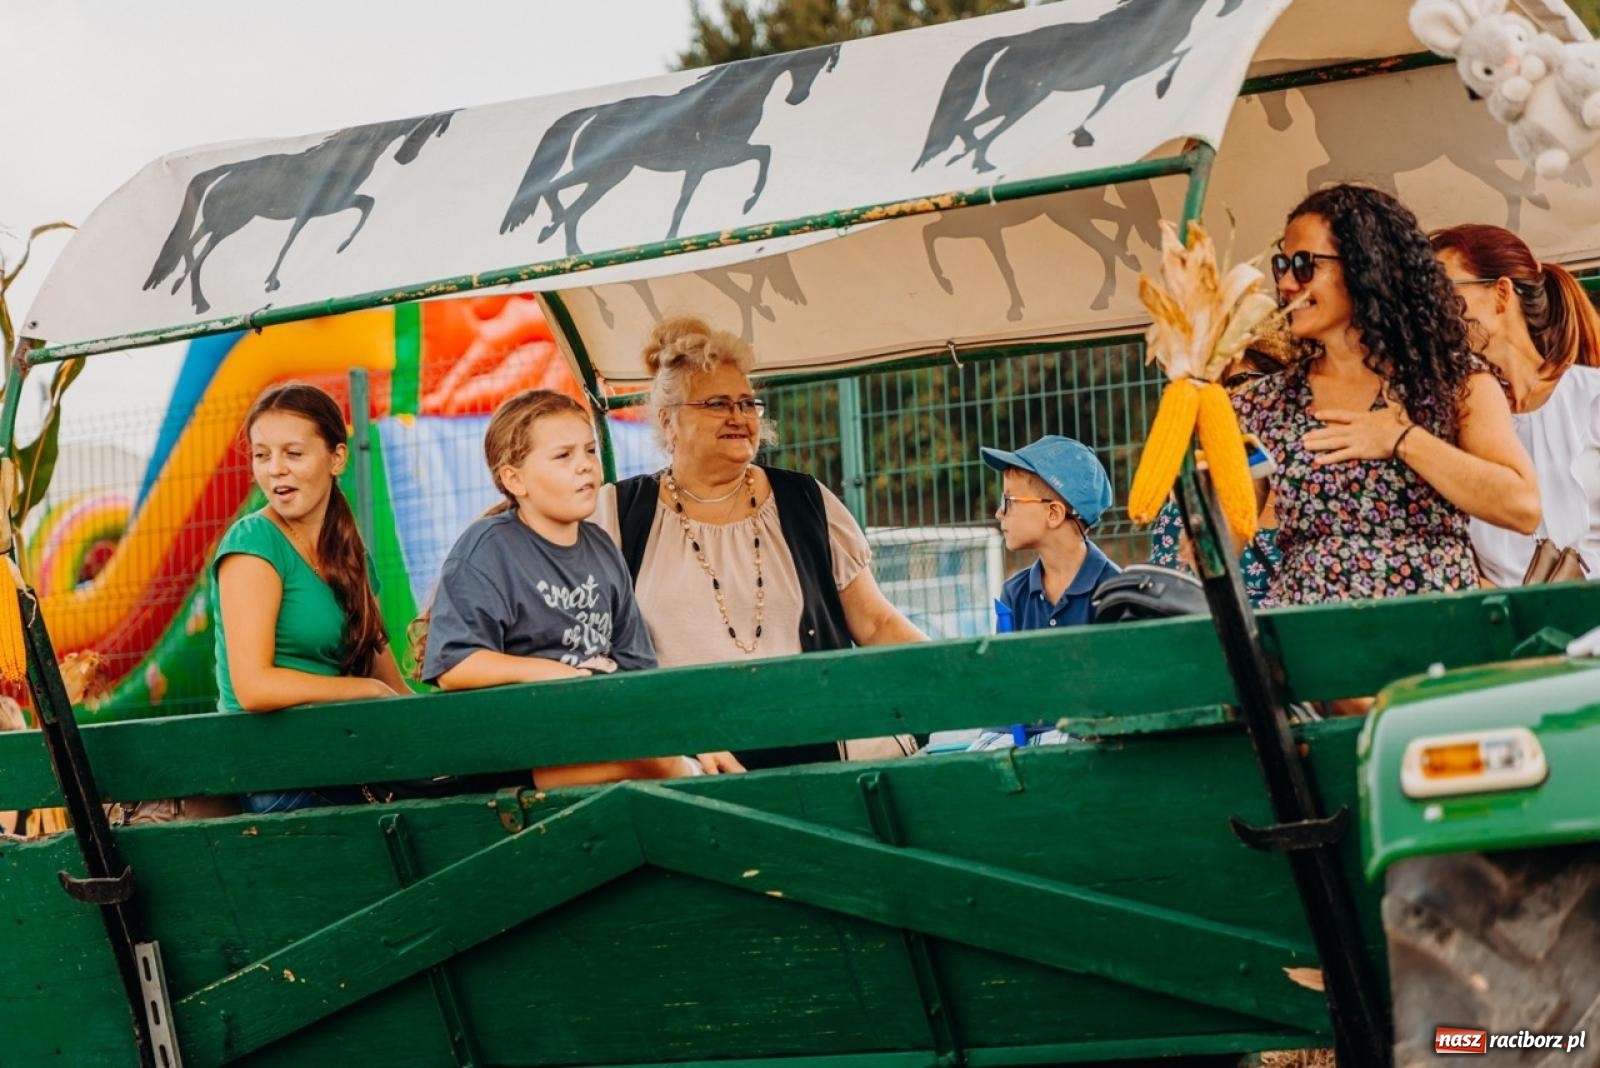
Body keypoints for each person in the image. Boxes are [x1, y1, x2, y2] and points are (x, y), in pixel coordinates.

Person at [592, 315, 925, 770]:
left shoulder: (805, 500)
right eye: (717, 403)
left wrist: (954, 673)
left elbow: (875, 623)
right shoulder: (617, 513)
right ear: (669, 422)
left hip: (811, 751)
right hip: (688, 765)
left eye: (749, 403)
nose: (738, 416)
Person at [1233, 184, 1540, 605]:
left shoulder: (1455, 382)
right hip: (1309, 645)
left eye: (1304, 264)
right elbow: (1228, 533)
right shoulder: (1263, 403)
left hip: (1430, 638)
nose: (1286, 282)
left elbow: (1522, 506)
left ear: (1366, 266)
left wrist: (1403, 439)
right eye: (1282, 264)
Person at [418, 390, 682, 788]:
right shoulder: (488, 549)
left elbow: (638, 671)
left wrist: (693, 738)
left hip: (594, 730)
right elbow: (455, 666)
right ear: (514, 478)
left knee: (679, 759)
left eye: (590, 451)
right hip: (523, 755)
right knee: (661, 768)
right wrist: (553, 673)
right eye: (564, 456)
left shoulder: (602, 548)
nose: (585, 467)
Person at [213, 383, 408, 813]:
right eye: (262, 455)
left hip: (341, 755)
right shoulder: (254, 542)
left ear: (336, 459)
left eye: (293, 453)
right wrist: (366, 692)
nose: (275, 469)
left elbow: (391, 682)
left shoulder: (351, 553)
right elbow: (253, 687)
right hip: (277, 770)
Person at [1430, 223, 1600, 586]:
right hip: (1503, 628)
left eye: (1444, 291)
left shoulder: (1591, 396)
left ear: (1502, 293)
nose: (1432, 310)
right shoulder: (1450, 421)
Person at [1150, 346, 1289, 605]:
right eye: (1211, 387)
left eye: (1236, 382)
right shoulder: (1186, 503)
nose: (1221, 399)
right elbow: (1172, 604)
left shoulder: (1312, 495)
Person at [984, 434, 1120, 633]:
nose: (999, 513)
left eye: (1009, 501)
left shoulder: (1116, 593)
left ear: (1054, 513)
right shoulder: (1014, 595)